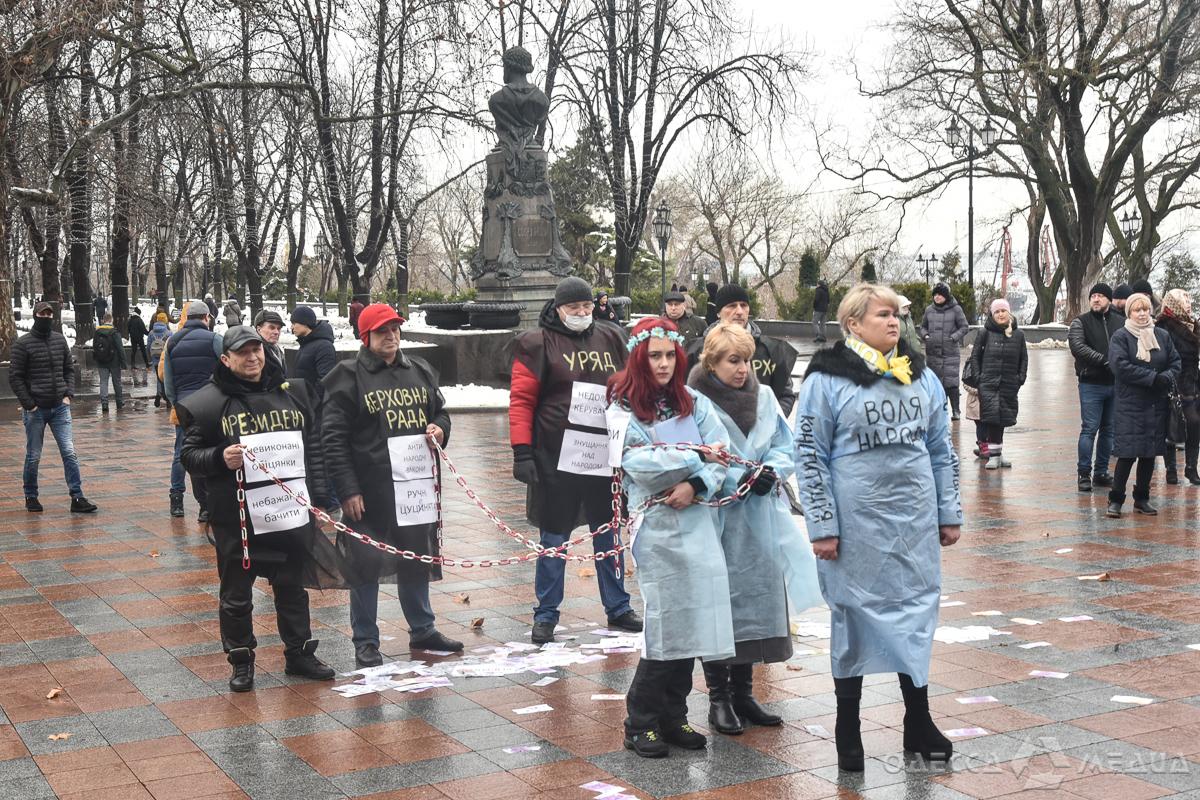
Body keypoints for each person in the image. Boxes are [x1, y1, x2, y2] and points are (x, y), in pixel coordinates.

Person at [794, 283, 961, 771]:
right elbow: (809, 454)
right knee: (853, 620)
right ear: (853, 324)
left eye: (897, 315)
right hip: (855, 524)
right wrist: (822, 524)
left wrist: (947, 512)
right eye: (883, 315)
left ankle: (918, 721)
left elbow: (940, 448)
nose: (895, 323)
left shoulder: (920, 376)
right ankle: (849, 728)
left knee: (916, 614)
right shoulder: (825, 380)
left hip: (912, 521)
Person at [178, 326, 337, 692]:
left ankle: (299, 653)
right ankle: (241, 660)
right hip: (237, 517)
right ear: (225, 359)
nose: (252, 358)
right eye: (243, 352)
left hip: (287, 512)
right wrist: (220, 456)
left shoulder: (291, 393)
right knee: (236, 594)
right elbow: (188, 455)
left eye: (257, 350)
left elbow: (311, 446)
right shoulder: (208, 403)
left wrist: (319, 495)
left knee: (292, 586)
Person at [687, 323, 822, 737]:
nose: (743, 368)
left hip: (760, 519)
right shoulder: (693, 402)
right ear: (712, 362)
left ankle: (743, 692)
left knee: (753, 602)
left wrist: (772, 472)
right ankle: (719, 698)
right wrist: (732, 481)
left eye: (746, 360)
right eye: (733, 360)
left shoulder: (764, 397)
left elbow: (787, 444)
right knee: (719, 602)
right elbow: (689, 458)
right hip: (717, 518)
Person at [608, 317, 731, 758]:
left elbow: (723, 455)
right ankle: (639, 720)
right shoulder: (622, 406)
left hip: (697, 521)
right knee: (665, 621)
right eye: (654, 356)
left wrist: (695, 484)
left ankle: (673, 714)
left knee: (695, 619)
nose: (662, 364)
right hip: (656, 525)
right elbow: (639, 462)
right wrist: (697, 457)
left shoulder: (694, 401)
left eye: (669, 355)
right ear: (639, 357)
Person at [322, 303, 462, 666]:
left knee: (416, 557)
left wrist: (440, 428)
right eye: (383, 330)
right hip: (369, 492)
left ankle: (423, 628)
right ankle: (366, 639)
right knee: (364, 562)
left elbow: (440, 411)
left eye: (396, 328)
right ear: (365, 337)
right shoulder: (346, 376)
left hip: (414, 488)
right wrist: (348, 489)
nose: (391, 335)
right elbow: (333, 439)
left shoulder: (420, 370)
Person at [509, 276, 641, 644]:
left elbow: (632, 382)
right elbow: (521, 400)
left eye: (586, 307)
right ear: (558, 307)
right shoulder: (537, 343)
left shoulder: (611, 337)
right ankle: (546, 613)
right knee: (554, 536)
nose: (581, 313)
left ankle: (618, 606)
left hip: (603, 454)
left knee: (608, 533)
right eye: (573, 308)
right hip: (556, 456)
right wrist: (522, 451)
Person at [10, 302, 98, 514]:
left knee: (69, 452)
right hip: (36, 410)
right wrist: (29, 404)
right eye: (43, 313)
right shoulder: (23, 344)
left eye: (50, 313)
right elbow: (15, 376)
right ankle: (31, 496)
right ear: (35, 315)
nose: (47, 317)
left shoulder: (60, 340)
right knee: (34, 455)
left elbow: (69, 368)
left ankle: (77, 497)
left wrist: (68, 394)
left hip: (59, 406)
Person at [1107, 293, 1180, 517]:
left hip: (1156, 404)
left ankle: (1142, 498)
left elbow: (1175, 361)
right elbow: (1119, 366)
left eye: (1145, 309)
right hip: (1130, 404)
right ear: (1129, 313)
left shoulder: (1162, 336)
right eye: (1137, 310)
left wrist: (1166, 377)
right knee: (1127, 454)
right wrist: (1151, 378)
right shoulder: (1121, 336)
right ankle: (1116, 500)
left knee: (1149, 455)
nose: (1141, 314)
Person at [687, 285, 798, 415]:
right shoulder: (695, 351)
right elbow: (684, 397)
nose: (739, 311)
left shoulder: (772, 349)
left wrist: (770, 425)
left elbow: (785, 395)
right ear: (718, 312)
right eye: (732, 306)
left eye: (743, 305)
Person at [164, 300, 222, 520]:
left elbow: (168, 381)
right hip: (211, 406)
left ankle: (176, 499)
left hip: (184, 407)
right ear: (206, 318)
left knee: (181, 454)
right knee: (209, 453)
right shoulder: (215, 339)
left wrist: (177, 403)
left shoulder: (173, 341)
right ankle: (206, 505)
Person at [1069, 283, 1123, 491]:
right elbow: (1078, 346)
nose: (1096, 299)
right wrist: (1104, 360)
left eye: (1101, 296)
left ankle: (1101, 472)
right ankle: (1084, 473)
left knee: (1108, 430)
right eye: (1093, 296)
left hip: (1115, 383)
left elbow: (1129, 345)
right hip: (1091, 383)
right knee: (1089, 429)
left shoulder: (1121, 322)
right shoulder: (1080, 322)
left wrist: (1119, 364)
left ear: (1109, 299)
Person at [964, 299, 1028, 470]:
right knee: (991, 419)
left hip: (1008, 384)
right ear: (992, 314)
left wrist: (1020, 378)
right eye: (997, 312)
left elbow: (1023, 358)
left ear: (1009, 313)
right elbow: (975, 357)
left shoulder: (1018, 335)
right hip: (988, 384)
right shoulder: (984, 333)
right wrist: (979, 378)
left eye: (1003, 311)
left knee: (1002, 420)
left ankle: (998, 453)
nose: (1000, 314)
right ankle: (994, 455)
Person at [1158, 289, 1200, 485]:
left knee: (1194, 424)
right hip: (1174, 382)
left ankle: (1191, 468)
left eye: (1189, 299)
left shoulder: (1193, 325)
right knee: (1171, 427)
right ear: (1173, 303)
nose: (1188, 303)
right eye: (1184, 300)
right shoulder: (1163, 326)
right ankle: (1171, 469)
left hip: (1193, 382)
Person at [918, 283, 969, 420]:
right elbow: (922, 327)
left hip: (950, 353)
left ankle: (956, 411)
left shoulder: (956, 310)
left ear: (946, 296)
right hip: (933, 354)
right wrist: (926, 336)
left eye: (940, 294)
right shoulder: (929, 310)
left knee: (951, 383)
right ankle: (939, 411)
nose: (937, 297)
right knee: (935, 384)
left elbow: (964, 327)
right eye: (935, 294)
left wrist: (953, 337)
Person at [290, 305, 338, 399]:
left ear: (305, 322)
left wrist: (311, 401)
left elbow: (325, 379)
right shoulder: (306, 344)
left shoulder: (324, 346)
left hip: (315, 406)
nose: (291, 327)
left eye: (294, 323)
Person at [92, 313, 127, 413]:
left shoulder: (97, 332)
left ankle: (104, 403)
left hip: (101, 361)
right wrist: (123, 362)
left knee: (103, 382)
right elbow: (120, 348)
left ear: (103, 320)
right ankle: (119, 402)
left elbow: (94, 346)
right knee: (117, 382)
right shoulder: (114, 332)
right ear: (111, 320)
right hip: (114, 362)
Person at [149, 312, 172, 407]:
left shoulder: (151, 333)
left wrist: (150, 356)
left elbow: (148, 346)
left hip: (155, 358)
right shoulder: (168, 333)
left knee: (159, 378)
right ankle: (167, 399)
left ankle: (158, 394)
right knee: (166, 378)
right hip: (165, 358)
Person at [253, 309, 286, 373]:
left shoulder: (276, 350)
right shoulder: (255, 351)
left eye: (279, 328)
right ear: (259, 329)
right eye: (272, 328)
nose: (276, 332)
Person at [127, 307, 151, 378]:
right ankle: (147, 364)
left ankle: (132, 365)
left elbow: (128, 327)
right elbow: (143, 329)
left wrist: (130, 333)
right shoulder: (139, 320)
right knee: (143, 351)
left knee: (133, 351)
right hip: (140, 338)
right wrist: (148, 333)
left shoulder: (130, 319)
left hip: (133, 338)